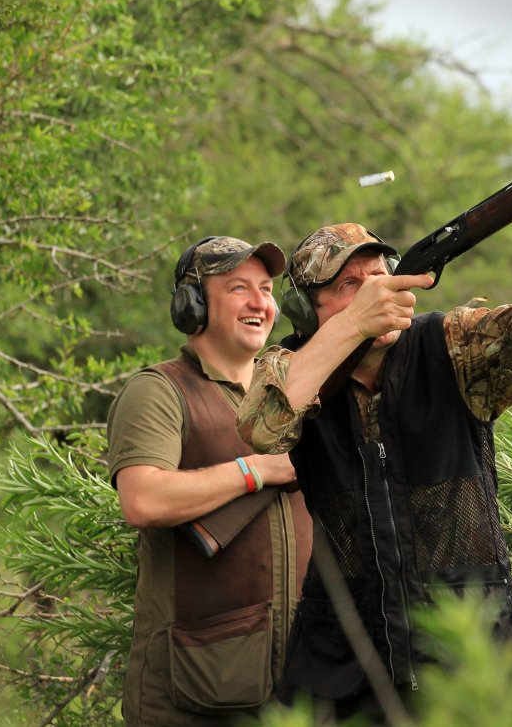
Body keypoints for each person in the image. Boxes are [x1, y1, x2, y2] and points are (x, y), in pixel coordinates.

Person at [236, 177, 512, 721]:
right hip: (345, 659)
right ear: (308, 311)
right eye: (349, 285)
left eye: (380, 277)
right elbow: (263, 427)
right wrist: (354, 326)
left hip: (466, 647)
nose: (375, 291)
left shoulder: (447, 344)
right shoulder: (290, 368)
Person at [107, 236, 313, 726]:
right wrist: (257, 469)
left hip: (298, 685)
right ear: (192, 305)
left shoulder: (295, 396)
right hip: (192, 689)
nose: (259, 302)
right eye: (238, 288)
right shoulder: (159, 391)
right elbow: (142, 499)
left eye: (265, 289)